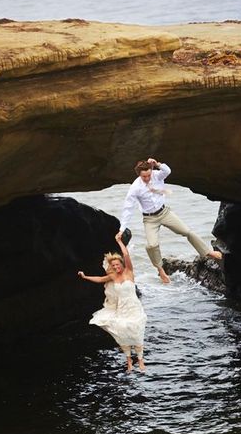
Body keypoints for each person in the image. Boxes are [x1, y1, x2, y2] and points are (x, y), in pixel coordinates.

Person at [118, 157, 222, 284]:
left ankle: (208, 252)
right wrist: (122, 229)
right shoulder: (135, 188)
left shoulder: (157, 175)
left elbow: (167, 171)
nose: (147, 178)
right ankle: (160, 270)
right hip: (150, 219)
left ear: (151, 171)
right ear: (139, 175)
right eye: (144, 176)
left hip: (165, 212)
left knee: (187, 232)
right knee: (151, 245)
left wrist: (157, 164)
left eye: (148, 175)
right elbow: (128, 208)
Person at [78, 233, 147, 372]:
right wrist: (85, 277)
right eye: (113, 265)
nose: (116, 267)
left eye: (117, 264)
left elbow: (126, 255)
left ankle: (140, 360)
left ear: (121, 263)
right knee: (122, 333)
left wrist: (119, 242)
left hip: (134, 307)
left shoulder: (129, 272)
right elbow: (99, 279)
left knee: (136, 332)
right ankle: (129, 361)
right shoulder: (112, 276)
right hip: (121, 308)